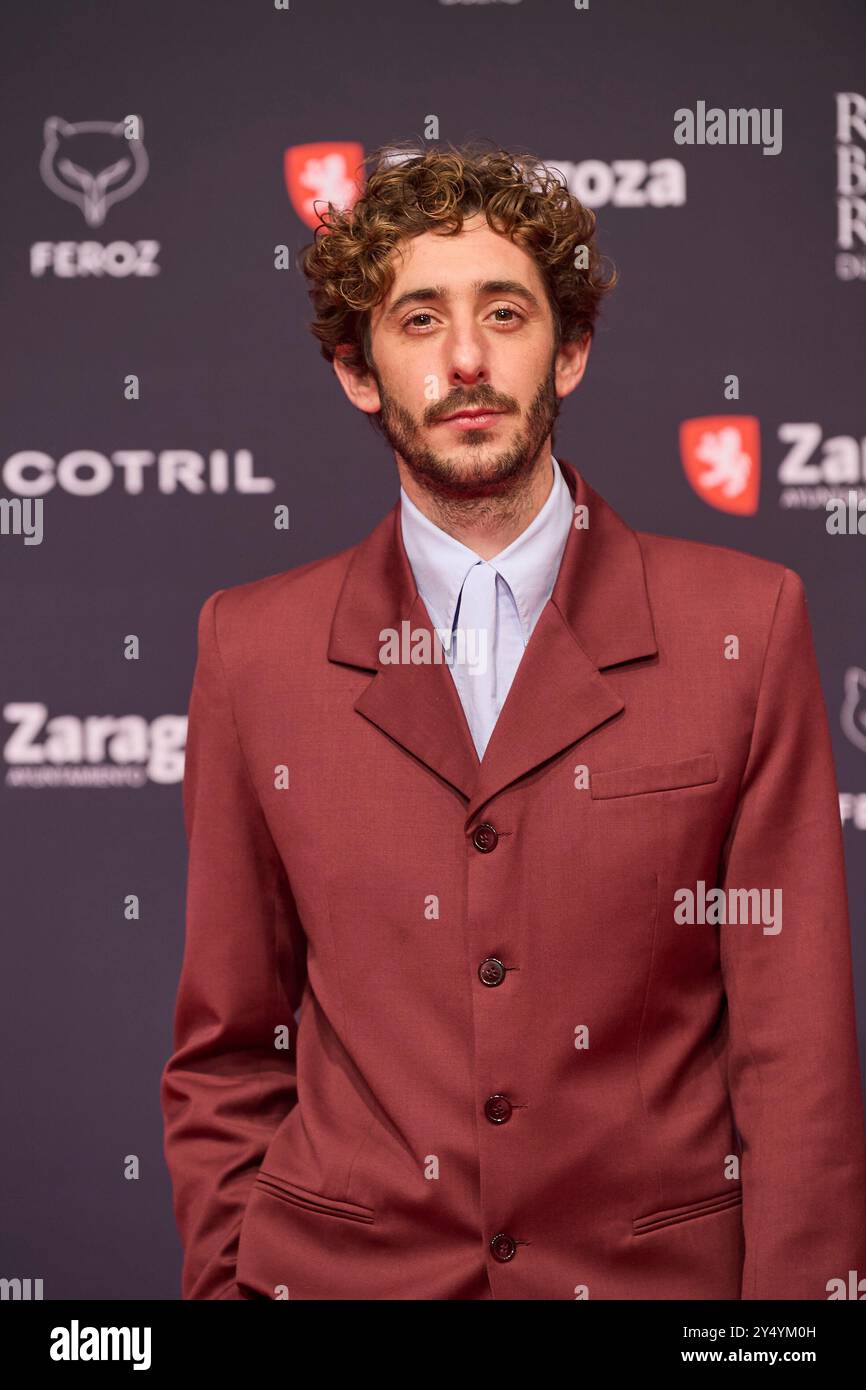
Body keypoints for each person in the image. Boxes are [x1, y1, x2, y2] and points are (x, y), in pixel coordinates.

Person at [160, 142, 866, 1300]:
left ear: (570, 349)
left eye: (505, 312)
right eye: (419, 320)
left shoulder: (745, 622)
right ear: (357, 368)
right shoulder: (251, 648)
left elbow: (795, 1062)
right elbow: (230, 1046)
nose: (469, 358)